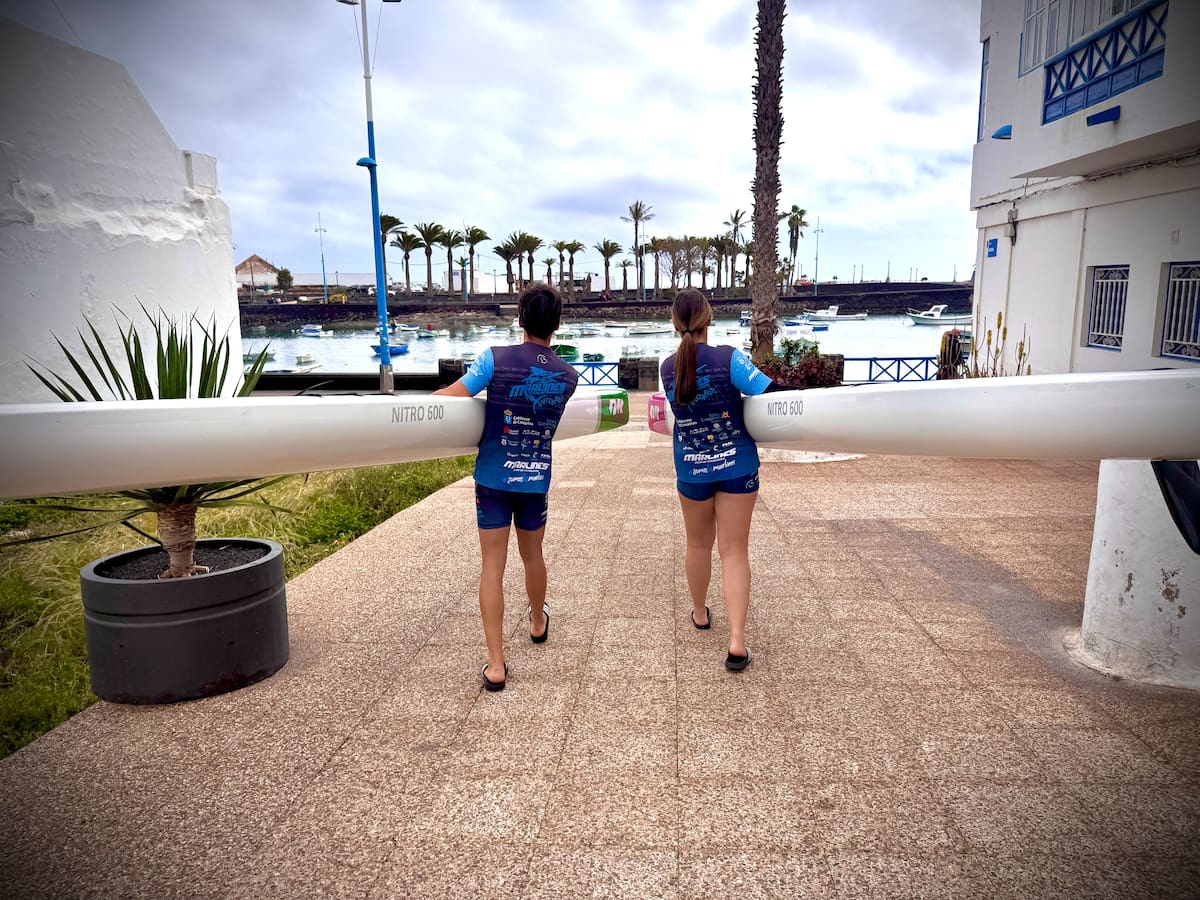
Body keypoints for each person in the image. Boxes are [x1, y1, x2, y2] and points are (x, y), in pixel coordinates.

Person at [433, 283, 580, 691]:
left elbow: (452, 397)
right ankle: (537, 622)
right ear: (557, 323)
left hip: (493, 479)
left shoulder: (493, 360)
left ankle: (496, 665)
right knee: (533, 557)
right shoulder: (568, 376)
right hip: (535, 480)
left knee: (492, 566)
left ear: (520, 318)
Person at [660, 288, 787, 671]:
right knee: (734, 551)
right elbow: (770, 393)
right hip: (737, 466)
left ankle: (699, 613)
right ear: (708, 319)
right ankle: (736, 641)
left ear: (674, 322)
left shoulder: (668, 367)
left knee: (698, 544)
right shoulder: (730, 359)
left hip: (691, 467)